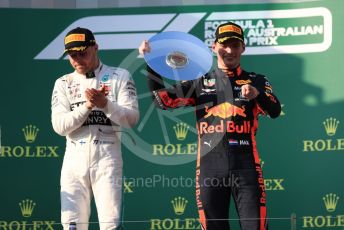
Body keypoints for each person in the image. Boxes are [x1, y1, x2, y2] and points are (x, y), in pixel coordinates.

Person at [139, 22, 281, 230]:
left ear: (243, 48)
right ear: (214, 46)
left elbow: (275, 110)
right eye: (224, 45)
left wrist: (257, 95)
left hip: (247, 167)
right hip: (209, 169)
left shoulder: (256, 80)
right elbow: (162, 101)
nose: (230, 51)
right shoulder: (200, 82)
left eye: (235, 45)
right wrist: (150, 62)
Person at [51, 27, 139, 230]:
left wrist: (105, 104)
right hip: (74, 162)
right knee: (72, 226)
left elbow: (132, 119)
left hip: (107, 159)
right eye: (72, 55)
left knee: (110, 226)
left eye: (82, 53)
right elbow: (59, 126)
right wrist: (88, 106)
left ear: (95, 48)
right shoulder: (63, 83)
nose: (77, 59)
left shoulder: (120, 76)